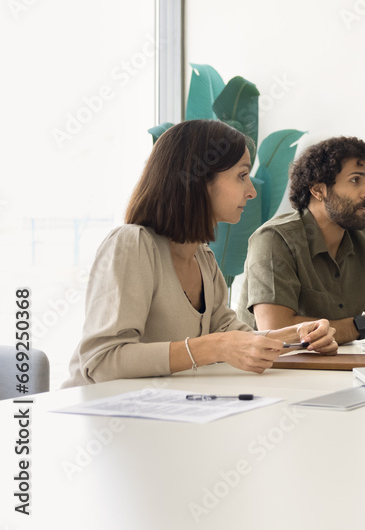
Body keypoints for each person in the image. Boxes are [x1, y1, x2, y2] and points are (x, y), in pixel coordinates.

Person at [64, 120, 335, 387]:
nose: (252, 191)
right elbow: (100, 362)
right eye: (242, 176)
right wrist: (214, 347)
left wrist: (300, 336)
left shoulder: (203, 258)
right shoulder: (131, 245)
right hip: (96, 419)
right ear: (199, 180)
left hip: (158, 413)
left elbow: (239, 339)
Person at [237, 136, 365, 343]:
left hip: (338, 364)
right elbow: (275, 330)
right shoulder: (275, 239)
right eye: (355, 180)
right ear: (318, 190)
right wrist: (362, 325)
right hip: (272, 369)